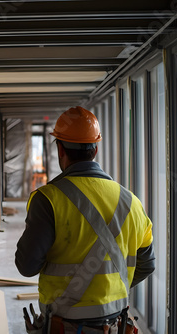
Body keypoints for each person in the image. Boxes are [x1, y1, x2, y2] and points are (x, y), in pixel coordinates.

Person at [15, 106, 155, 333]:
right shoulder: (132, 203)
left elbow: (27, 266)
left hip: (63, 324)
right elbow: (147, 264)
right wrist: (110, 289)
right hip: (115, 324)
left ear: (60, 149)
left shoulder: (47, 200)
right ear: (95, 149)